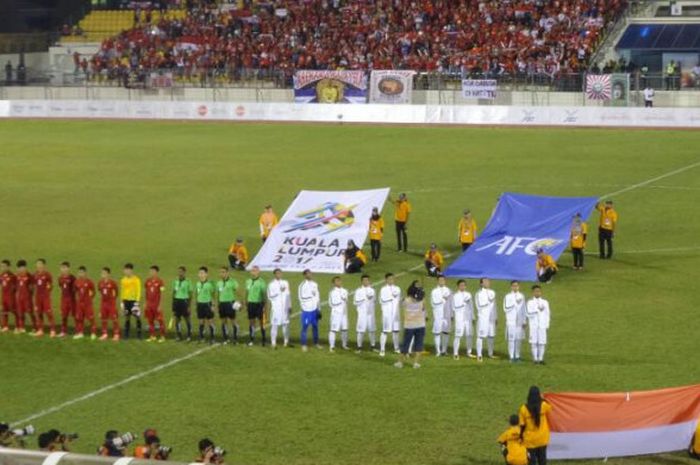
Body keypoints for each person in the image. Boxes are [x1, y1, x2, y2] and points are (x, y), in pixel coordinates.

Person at [394, 280, 426, 369]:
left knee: (405, 345)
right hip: (420, 325)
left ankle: (400, 362)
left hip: (409, 326)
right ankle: (415, 363)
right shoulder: (421, 300)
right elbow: (424, 308)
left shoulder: (406, 301)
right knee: (418, 345)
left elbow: (400, 304)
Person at [519, 386, 552, 465]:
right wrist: (542, 398)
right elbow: (550, 407)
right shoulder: (543, 405)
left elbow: (522, 425)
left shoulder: (523, 408)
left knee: (531, 461)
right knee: (542, 460)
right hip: (542, 438)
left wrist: (520, 436)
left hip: (530, 440)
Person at [526, 285, 551, 365]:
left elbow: (547, 314)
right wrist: (537, 310)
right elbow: (528, 313)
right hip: (533, 326)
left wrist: (547, 324)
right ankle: (535, 359)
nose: (537, 293)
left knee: (542, 342)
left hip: (542, 325)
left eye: (539, 291)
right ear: (533, 292)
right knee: (533, 342)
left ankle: (541, 359)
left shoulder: (545, 302)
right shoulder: (530, 302)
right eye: (536, 291)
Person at [503, 281, 527, 362]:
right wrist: (515, 303)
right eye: (513, 286)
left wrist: (524, 321)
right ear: (511, 287)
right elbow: (505, 308)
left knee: (518, 339)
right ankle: (511, 356)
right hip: (511, 321)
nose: (515, 287)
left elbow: (524, 309)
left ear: (519, 286)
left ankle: (517, 356)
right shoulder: (508, 296)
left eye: (516, 286)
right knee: (511, 339)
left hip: (519, 322)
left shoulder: (522, 296)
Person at [267, 268, 290, 348]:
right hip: (276, 309)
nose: (279, 275)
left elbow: (288, 294)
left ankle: (286, 342)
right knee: (274, 325)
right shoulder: (271, 284)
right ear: (274, 274)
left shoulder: (285, 283)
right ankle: (273, 342)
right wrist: (279, 291)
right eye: (277, 273)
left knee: (285, 325)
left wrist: (289, 306)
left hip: (285, 308)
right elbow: (270, 296)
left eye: (280, 273)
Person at [379, 272, 401, 357]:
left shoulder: (398, 288)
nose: (391, 280)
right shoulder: (383, 289)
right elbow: (382, 300)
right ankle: (382, 349)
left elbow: (398, 300)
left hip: (396, 313)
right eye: (390, 279)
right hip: (387, 313)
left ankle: (396, 348)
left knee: (396, 331)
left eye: (393, 278)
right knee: (385, 331)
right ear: (386, 280)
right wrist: (391, 297)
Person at [298, 269, 321, 351]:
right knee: (305, 327)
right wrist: (311, 296)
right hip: (306, 310)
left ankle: (316, 343)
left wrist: (319, 308)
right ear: (304, 275)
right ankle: (303, 344)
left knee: (315, 327)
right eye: (308, 273)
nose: (310, 274)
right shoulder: (302, 285)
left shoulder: (315, 284)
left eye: (310, 273)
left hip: (314, 310)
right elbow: (301, 298)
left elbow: (318, 297)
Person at [452, 279, 475, 359]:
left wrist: (473, 317)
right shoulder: (455, 296)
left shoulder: (468, 294)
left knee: (469, 335)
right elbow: (454, 308)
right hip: (460, 319)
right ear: (458, 286)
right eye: (461, 285)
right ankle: (455, 353)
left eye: (464, 285)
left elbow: (471, 306)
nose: (462, 286)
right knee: (458, 335)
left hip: (468, 319)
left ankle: (469, 352)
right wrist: (463, 303)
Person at [475, 278, 497, 361]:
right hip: (483, 317)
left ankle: (490, 354)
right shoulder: (479, 293)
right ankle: (479, 355)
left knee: (491, 336)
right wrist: (489, 301)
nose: (488, 282)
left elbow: (494, 306)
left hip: (491, 318)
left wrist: (496, 317)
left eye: (488, 281)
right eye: (486, 281)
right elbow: (480, 305)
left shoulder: (492, 292)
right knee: (480, 336)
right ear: (481, 284)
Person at [216, 266, 239, 344]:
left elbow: (238, 292)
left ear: (227, 273)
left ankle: (235, 338)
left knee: (233, 321)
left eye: (223, 272)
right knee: (223, 321)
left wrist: (240, 302)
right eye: (221, 272)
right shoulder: (219, 283)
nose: (222, 274)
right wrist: (218, 304)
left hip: (230, 303)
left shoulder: (233, 282)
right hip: (222, 304)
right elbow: (218, 294)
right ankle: (226, 338)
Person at [244, 266, 267, 346]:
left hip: (259, 304)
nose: (253, 272)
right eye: (252, 271)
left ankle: (263, 339)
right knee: (251, 322)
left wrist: (264, 305)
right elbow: (247, 292)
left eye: (255, 271)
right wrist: (245, 301)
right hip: (250, 304)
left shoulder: (262, 282)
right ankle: (251, 339)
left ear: (258, 272)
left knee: (261, 322)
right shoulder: (248, 281)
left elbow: (264, 295)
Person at [354, 274, 376, 352]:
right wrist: (364, 299)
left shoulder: (372, 290)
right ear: (361, 281)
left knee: (372, 330)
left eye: (367, 280)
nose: (366, 282)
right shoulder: (358, 291)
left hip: (371, 314)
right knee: (361, 330)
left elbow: (374, 301)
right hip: (362, 314)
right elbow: (355, 302)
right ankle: (359, 347)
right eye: (364, 280)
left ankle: (373, 346)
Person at [430, 275, 452, 356]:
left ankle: (444, 350)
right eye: (440, 280)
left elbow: (451, 303)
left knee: (446, 332)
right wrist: (443, 299)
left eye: (443, 280)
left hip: (447, 315)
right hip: (438, 315)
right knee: (437, 333)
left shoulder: (449, 290)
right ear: (437, 281)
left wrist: (451, 314)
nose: (442, 281)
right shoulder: (434, 291)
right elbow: (434, 303)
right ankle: (438, 351)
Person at [120, 263, 142, 339]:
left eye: (127, 270)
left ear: (131, 270)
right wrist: (122, 301)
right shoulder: (123, 280)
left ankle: (139, 333)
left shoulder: (136, 279)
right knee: (127, 317)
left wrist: (137, 301)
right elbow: (122, 291)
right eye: (125, 270)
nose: (125, 272)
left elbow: (138, 290)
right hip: (126, 301)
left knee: (137, 316)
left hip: (133, 301)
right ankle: (126, 333)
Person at [33, 258, 55, 337]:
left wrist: (47, 290)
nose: (39, 265)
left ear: (44, 265)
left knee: (48, 313)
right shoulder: (35, 274)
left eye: (40, 264)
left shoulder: (47, 274)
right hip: (37, 297)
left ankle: (52, 330)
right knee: (39, 313)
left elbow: (50, 285)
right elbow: (34, 285)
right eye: (37, 264)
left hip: (45, 297)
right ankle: (40, 330)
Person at [73, 266, 96, 340]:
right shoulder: (76, 282)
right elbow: (75, 291)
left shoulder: (89, 282)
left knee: (91, 318)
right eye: (79, 272)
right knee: (79, 318)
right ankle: (80, 333)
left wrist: (89, 299)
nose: (81, 274)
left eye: (82, 272)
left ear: (85, 273)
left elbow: (93, 292)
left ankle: (93, 333)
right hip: (79, 304)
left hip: (87, 304)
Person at [145, 266, 166, 342]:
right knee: (150, 320)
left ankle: (162, 336)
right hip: (149, 304)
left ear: (157, 272)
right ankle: (152, 336)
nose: (151, 272)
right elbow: (146, 292)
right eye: (151, 271)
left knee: (160, 320)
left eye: (153, 271)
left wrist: (160, 304)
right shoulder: (147, 281)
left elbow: (162, 293)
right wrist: (146, 303)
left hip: (157, 304)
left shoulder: (160, 282)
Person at [98, 267, 120, 341]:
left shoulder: (112, 283)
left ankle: (116, 334)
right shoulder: (100, 283)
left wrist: (112, 300)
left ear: (108, 274)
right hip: (103, 304)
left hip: (111, 304)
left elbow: (116, 293)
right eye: (102, 273)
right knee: (104, 319)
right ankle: (104, 334)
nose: (103, 274)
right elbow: (101, 293)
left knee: (114, 319)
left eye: (104, 273)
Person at [328, 276, 350, 352]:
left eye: (339, 281)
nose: (339, 282)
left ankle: (344, 345)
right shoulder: (332, 292)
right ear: (333, 283)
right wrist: (341, 300)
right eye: (337, 281)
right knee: (333, 330)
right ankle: (331, 346)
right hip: (336, 314)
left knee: (344, 329)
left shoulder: (345, 291)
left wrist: (344, 299)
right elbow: (331, 304)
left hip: (344, 313)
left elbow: (346, 301)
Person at [195, 266, 216, 344]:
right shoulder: (197, 284)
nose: (200, 275)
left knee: (210, 322)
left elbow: (213, 295)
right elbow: (197, 294)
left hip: (207, 304)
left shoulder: (210, 284)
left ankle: (212, 338)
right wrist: (196, 304)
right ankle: (201, 337)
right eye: (199, 273)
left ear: (206, 274)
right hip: (200, 304)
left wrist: (213, 305)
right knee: (201, 322)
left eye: (202, 273)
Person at [172, 266, 193, 341]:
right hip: (177, 301)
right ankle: (178, 335)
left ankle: (189, 335)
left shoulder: (188, 281)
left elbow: (190, 294)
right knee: (177, 319)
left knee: (187, 319)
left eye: (181, 272)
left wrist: (189, 306)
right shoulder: (175, 281)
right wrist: (173, 304)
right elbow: (174, 292)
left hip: (184, 301)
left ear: (184, 272)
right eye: (179, 271)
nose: (179, 273)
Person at [15, 260, 35, 334]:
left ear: (25, 267)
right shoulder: (17, 276)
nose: (21, 269)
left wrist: (30, 296)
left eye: (23, 267)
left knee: (30, 312)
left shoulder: (29, 276)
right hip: (19, 298)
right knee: (21, 313)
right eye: (19, 268)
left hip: (27, 298)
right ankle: (22, 327)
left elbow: (32, 288)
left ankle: (34, 327)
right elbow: (16, 286)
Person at [57, 262, 76, 337]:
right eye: (62, 268)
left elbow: (75, 289)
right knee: (64, 316)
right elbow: (61, 287)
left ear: (68, 268)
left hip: (71, 300)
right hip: (64, 300)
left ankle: (78, 331)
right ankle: (63, 331)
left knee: (75, 316)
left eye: (65, 268)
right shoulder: (60, 278)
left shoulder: (72, 278)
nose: (63, 269)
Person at [0, 259, 17, 332]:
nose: (2, 268)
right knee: (3, 311)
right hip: (3, 296)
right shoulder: (1, 275)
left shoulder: (12, 276)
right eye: (1, 266)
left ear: (8, 267)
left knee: (14, 311)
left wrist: (13, 292)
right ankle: (5, 326)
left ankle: (18, 326)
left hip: (11, 297)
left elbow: (16, 286)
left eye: (4, 266)